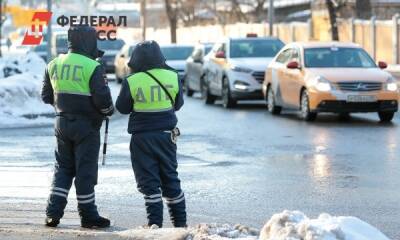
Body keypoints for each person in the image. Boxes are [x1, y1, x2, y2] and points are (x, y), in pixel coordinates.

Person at [41, 26, 114, 228]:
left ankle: (52, 214)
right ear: (90, 42)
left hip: (61, 123)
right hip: (88, 126)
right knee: (85, 171)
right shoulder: (92, 66)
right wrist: (108, 111)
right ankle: (88, 215)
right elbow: (103, 100)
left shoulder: (54, 64)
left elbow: (46, 96)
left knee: (63, 168)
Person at [116, 40, 186, 228]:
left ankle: (155, 226)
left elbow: (122, 108)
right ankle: (180, 226)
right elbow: (178, 105)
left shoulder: (132, 80)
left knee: (149, 182)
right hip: (167, 136)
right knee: (171, 178)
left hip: (142, 138)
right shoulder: (173, 76)